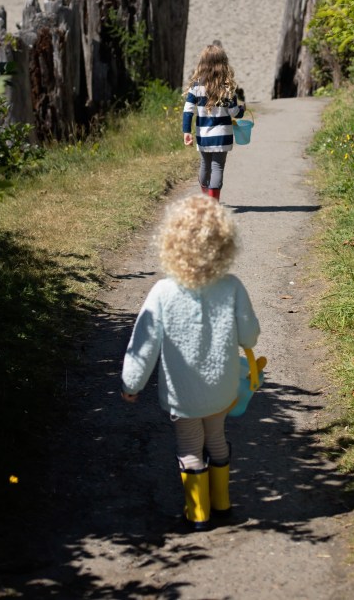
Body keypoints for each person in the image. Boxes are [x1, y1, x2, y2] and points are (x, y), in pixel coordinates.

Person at [121, 195, 260, 529]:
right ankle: (223, 502)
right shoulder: (231, 287)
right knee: (216, 437)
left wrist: (131, 383)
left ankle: (198, 514)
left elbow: (144, 344)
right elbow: (249, 336)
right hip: (222, 389)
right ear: (224, 245)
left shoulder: (163, 293)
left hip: (183, 395)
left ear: (171, 244)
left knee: (189, 446)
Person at [182, 41, 245, 202]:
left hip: (204, 135)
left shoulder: (196, 87)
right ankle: (213, 202)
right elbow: (234, 112)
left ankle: (206, 199)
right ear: (223, 64)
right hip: (223, 135)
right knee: (217, 168)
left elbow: (188, 110)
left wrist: (186, 131)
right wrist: (242, 110)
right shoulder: (227, 87)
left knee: (205, 165)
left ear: (202, 64)